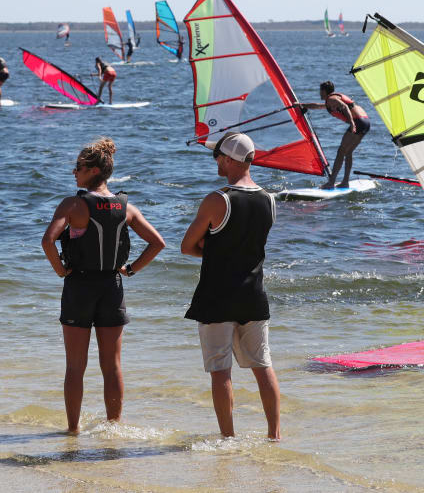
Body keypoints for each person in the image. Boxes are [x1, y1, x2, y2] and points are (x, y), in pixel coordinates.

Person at [41, 138, 165, 434]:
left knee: (75, 367)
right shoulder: (126, 207)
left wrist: (61, 270)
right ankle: (114, 429)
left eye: (79, 167)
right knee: (112, 366)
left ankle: (72, 431)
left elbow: (48, 241)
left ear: (93, 170)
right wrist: (131, 269)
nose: (74, 172)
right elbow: (158, 243)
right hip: (113, 286)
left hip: (79, 286)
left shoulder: (73, 205)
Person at [181, 132, 281, 440]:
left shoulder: (217, 199)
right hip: (254, 295)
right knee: (263, 367)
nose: (215, 162)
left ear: (228, 160)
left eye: (217, 157)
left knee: (220, 372)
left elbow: (187, 246)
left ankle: (228, 439)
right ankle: (275, 436)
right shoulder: (269, 199)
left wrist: (211, 254)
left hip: (217, 297)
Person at [301, 81, 370, 189]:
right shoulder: (332, 100)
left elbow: (345, 107)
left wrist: (352, 123)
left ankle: (331, 183)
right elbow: (319, 106)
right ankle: (345, 182)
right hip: (365, 122)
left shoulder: (332, 99)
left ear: (324, 91)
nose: (319, 93)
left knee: (341, 151)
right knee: (348, 152)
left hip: (357, 122)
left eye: (320, 91)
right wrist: (303, 105)